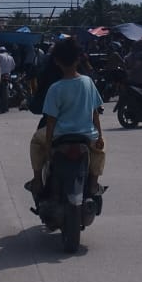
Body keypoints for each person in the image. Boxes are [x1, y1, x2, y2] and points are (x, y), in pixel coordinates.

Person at [27, 39, 106, 197]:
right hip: (87, 135)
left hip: (60, 135)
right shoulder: (88, 82)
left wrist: (48, 146)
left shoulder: (55, 88)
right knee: (99, 151)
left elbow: (51, 121)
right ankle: (93, 183)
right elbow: (95, 112)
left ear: (56, 61)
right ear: (78, 59)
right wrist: (100, 135)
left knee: (36, 142)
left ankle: (36, 181)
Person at [0, 45, 16, 112]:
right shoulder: (10, 57)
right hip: (7, 75)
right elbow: (13, 66)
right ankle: (6, 107)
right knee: (6, 92)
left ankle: (0, 108)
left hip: (0, 75)